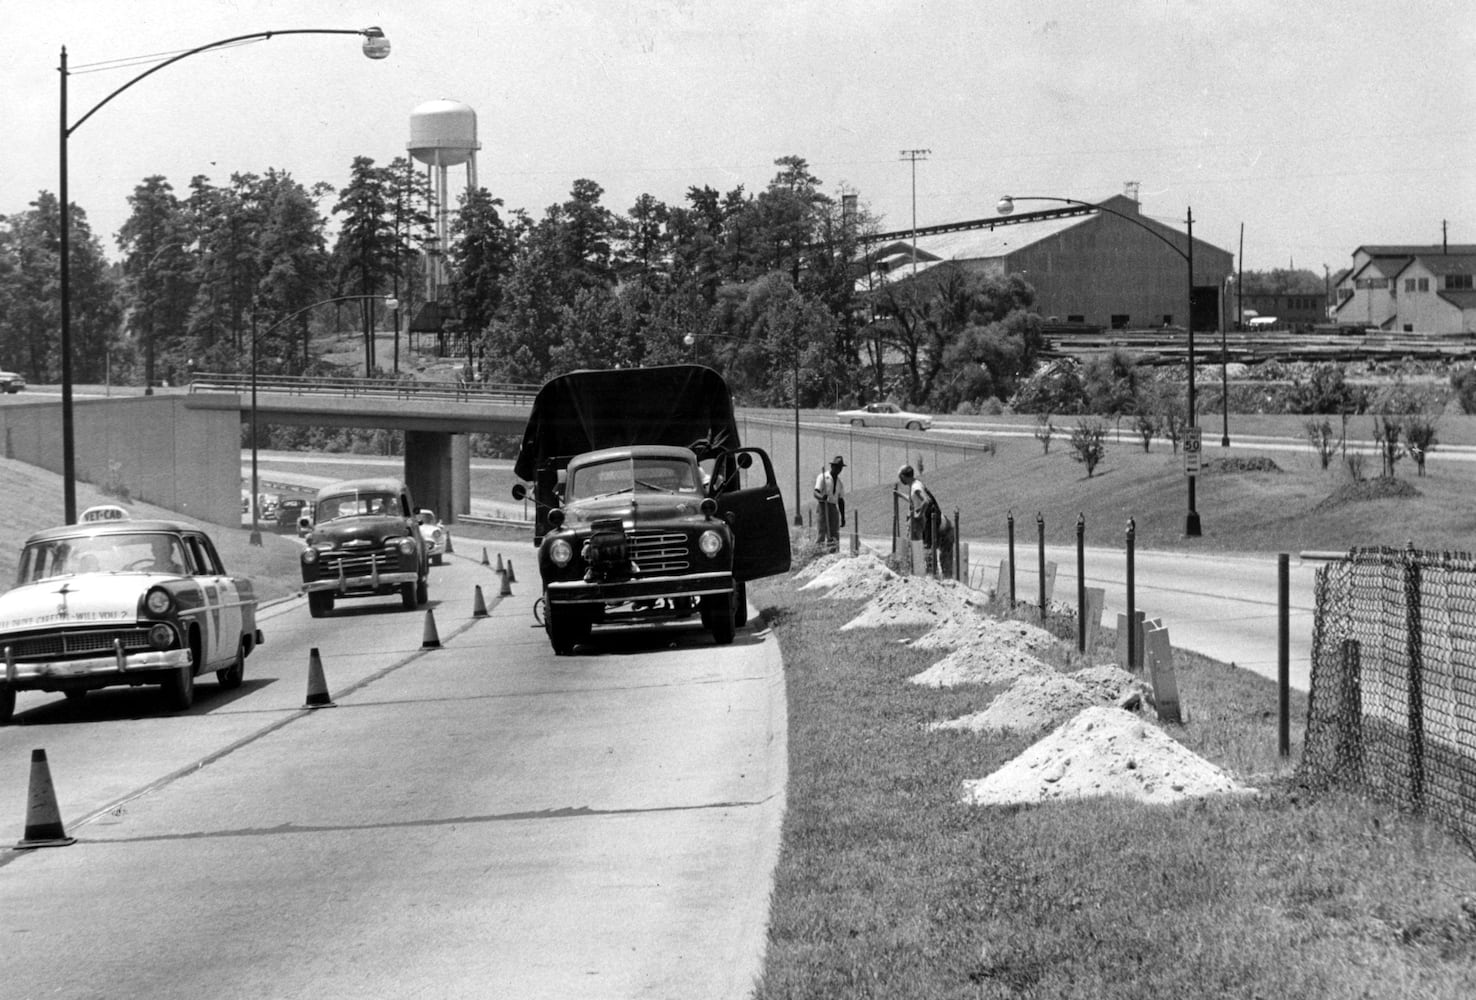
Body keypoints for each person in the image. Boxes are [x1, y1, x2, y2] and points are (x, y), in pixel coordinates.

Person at [897, 464, 953, 577]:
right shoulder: (916, 484)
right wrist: (900, 495)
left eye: (900, 477)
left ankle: (934, 576)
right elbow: (914, 500)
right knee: (928, 550)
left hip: (935, 523)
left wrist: (919, 514)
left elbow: (926, 501)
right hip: (931, 521)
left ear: (903, 476)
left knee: (929, 549)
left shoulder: (915, 487)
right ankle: (934, 575)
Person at [813, 455, 847, 553]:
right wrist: (821, 497)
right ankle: (818, 553)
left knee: (834, 533)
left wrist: (843, 517)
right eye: (836, 467)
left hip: (833, 507)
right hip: (823, 506)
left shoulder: (840, 483)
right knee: (821, 532)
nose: (838, 469)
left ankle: (833, 554)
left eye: (840, 467)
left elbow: (841, 500)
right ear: (832, 466)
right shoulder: (823, 477)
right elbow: (815, 492)